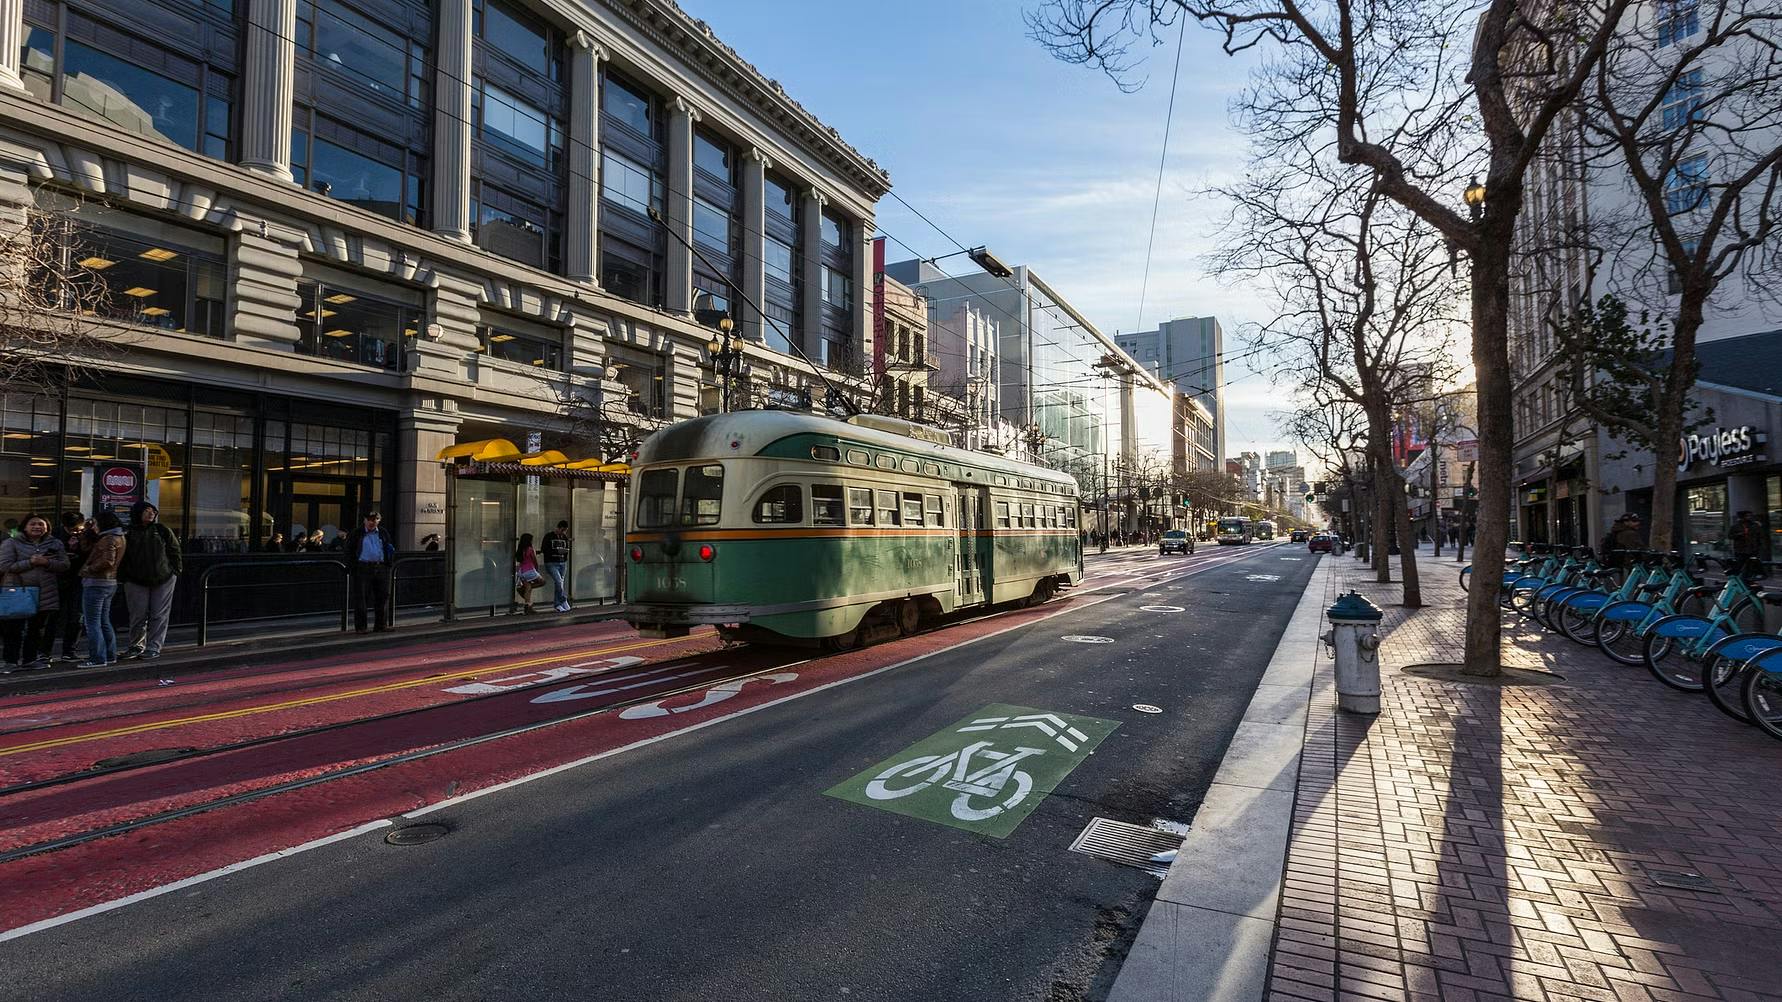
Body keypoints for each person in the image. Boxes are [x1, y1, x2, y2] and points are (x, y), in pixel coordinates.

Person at [1, 514, 71, 669]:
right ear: (25, 526)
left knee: (37, 629)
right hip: (19, 591)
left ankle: (30, 659)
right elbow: (5, 566)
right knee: (14, 628)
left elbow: (65, 565)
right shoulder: (11, 543)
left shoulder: (55, 543)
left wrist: (46, 562)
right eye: (33, 524)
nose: (37, 527)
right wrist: (30, 563)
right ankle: (10, 661)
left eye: (41, 524)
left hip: (46, 592)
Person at [119, 500, 181, 662]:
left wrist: (174, 571)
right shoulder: (128, 532)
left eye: (153, 511)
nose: (151, 513)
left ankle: (154, 646)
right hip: (134, 578)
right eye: (147, 511)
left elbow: (175, 551)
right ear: (138, 513)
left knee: (159, 614)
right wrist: (124, 576)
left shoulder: (161, 530)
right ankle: (136, 645)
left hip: (163, 577)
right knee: (137, 614)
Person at [78, 511, 125, 668]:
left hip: (97, 583)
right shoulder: (119, 536)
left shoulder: (108, 538)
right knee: (104, 620)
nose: (95, 527)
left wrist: (89, 569)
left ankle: (97, 657)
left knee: (92, 622)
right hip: (109, 582)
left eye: (96, 523)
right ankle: (110, 654)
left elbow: (107, 561)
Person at [346, 511, 395, 633]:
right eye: (370, 520)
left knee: (383, 596)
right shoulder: (357, 533)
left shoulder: (383, 532)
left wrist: (388, 564)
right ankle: (361, 627)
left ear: (379, 520)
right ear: (365, 520)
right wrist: (353, 567)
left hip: (381, 566)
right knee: (361, 597)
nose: (372, 522)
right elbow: (349, 550)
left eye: (375, 519)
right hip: (363, 567)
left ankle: (381, 625)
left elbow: (388, 547)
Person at [53, 511, 88, 662]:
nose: (75, 531)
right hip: (57, 580)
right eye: (71, 529)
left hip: (78, 579)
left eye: (77, 528)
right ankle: (44, 652)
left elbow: (90, 555)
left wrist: (78, 548)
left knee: (76, 617)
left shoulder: (86, 535)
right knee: (53, 616)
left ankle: (69, 651)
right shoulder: (54, 535)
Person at [541, 521, 571, 612]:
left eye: (565, 531)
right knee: (558, 581)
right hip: (551, 562)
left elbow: (566, 549)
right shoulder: (549, 536)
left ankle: (557, 604)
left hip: (562, 562)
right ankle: (563, 600)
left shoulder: (564, 537)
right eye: (562, 530)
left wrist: (564, 554)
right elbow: (544, 549)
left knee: (560, 583)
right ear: (558, 528)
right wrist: (556, 552)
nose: (563, 532)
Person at [1730, 510, 1767, 578]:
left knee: (1753, 563)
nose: (1749, 517)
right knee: (1740, 564)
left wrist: (1760, 545)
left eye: (1750, 516)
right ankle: (1737, 576)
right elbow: (1730, 536)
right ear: (1742, 517)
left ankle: (1753, 575)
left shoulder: (1754, 525)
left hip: (1753, 549)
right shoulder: (1735, 526)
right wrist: (1739, 535)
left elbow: (1760, 536)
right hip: (1741, 549)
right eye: (1747, 516)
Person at [513, 533, 544, 614]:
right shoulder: (530, 549)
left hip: (521, 571)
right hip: (529, 570)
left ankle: (528, 605)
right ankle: (523, 590)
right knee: (542, 582)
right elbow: (534, 561)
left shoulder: (520, 549)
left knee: (528, 587)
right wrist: (537, 570)